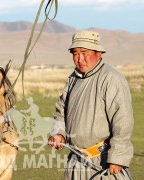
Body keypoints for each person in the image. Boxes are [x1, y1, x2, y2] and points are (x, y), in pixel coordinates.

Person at [48, 30, 134, 179]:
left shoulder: (111, 78)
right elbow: (61, 111)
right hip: (76, 162)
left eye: (84, 52)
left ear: (98, 53)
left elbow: (123, 120)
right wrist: (59, 134)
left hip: (103, 162)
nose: (79, 59)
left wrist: (118, 158)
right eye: (75, 53)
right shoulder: (73, 79)